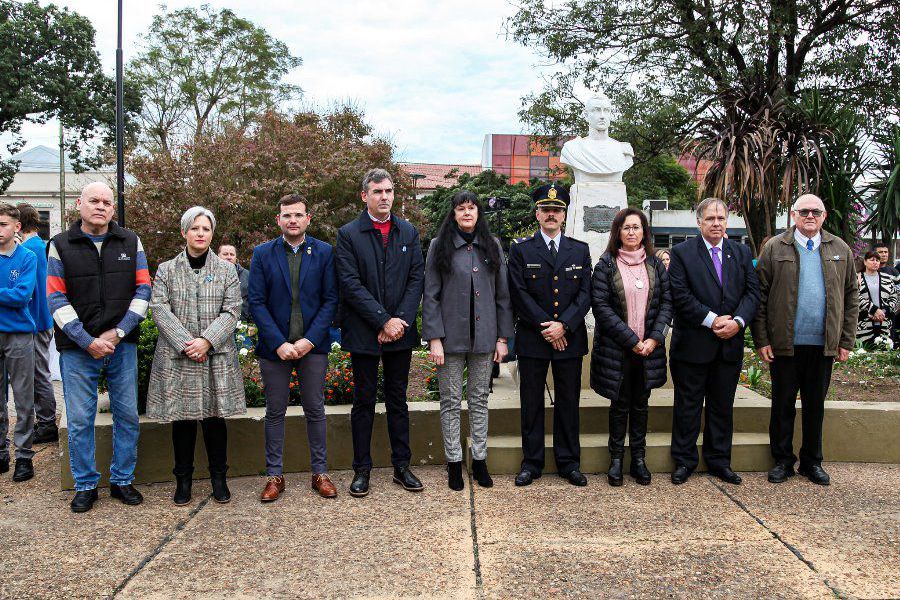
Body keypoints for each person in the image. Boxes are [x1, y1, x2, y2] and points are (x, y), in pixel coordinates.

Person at [48, 182, 150, 513]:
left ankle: (122, 480)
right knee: (79, 418)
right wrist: (86, 340)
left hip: (121, 344)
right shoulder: (60, 245)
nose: (101, 206)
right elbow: (55, 296)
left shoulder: (131, 241)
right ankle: (86, 485)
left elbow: (144, 289)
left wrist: (119, 332)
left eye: (107, 201)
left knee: (127, 416)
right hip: (79, 348)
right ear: (79, 204)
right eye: (94, 200)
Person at [753, 194, 858, 486]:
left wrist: (846, 340)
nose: (810, 216)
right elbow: (759, 297)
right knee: (782, 404)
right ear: (793, 215)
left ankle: (812, 462)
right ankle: (783, 461)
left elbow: (851, 296)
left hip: (823, 345)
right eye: (804, 211)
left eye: (816, 211)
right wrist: (762, 339)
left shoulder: (840, 249)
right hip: (785, 343)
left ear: (824, 216)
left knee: (815, 406)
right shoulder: (775, 247)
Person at [147, 207, 245, 505]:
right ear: (184, 232)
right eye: (195, 228)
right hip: (179, 358)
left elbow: (232, 310)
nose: (200, 233)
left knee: (215, 421)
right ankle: (183, 480)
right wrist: (187, 343)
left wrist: (206, 341)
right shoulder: (166, 269)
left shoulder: (227, 270)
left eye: (206, 229)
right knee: (183, 422)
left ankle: (219, 478)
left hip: (215, 356)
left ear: (212, 234)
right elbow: (160, 309)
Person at [336, 168, 425, 497]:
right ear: (365, 196)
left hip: (399, 333)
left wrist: (398, 320)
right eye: (377, 192)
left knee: (398, 400)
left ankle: (402, 466)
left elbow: (417, 278)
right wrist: (381, 321)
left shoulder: (408, 231)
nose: (384, 197)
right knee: (363, 402)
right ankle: (362, 470)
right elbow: (349, 283)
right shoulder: (348, 234)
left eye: (388, 191)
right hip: (364, 333)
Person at [249, 194, 339, 501]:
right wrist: (279, 343)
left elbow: (330, 300)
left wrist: (308, 340)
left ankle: (320, 473)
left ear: (308, 219)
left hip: (312, 346)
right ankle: (275, 476)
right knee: (275, 411)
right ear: (279, 220)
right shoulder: (262, 254)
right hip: (275, 349)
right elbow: (256, 302)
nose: (293, 220)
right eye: (287, 215)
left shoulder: (325, 252)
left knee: (315, 409)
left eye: (298, 215)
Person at [423, 190, 513, 491]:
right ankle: (452, 463)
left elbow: (502, 295)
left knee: (479, 400)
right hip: (449, 338)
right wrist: (434, 338)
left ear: (478, 213)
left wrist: (502, 338)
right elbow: (431, 295)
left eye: (472, 208)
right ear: (454, 213)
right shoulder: (440, 246)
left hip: (485, 337)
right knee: (450, 401)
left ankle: (480, 460)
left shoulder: (492, 245)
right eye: (461, 208)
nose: (467, 213)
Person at [667, 197, 759, 485]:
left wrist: (738, 322)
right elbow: (679, 295)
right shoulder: (682, 253)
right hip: (693, 344)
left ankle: (719, 461)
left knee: (722, 406)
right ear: (699, 222)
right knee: (688, 405)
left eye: (721, 218)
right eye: (710, 219)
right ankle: (684, 461)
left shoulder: (741, 253)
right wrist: (712, 319)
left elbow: (752, 294)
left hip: (728, 345)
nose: (716, 223)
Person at [507, 184, 592, 487]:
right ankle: (531, 463)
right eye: (546, 209)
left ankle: (569, 463)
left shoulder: (579, 249)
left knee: (568, 402)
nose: (551, 214)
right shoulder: (521, 249)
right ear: (537, 214)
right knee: (531, 403)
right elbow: (518, 294)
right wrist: (547, 326)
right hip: (533, 338)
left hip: (569, 338)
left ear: (564, 214)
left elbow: (585, 294)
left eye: (557, 210)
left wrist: (564, 326)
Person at [590, 208, 672, 486]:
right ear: (618, 232)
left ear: (644, 232)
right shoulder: (606, 265)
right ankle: (616, 460)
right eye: (626, 228)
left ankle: (638, 459)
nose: (632, 233)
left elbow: (666, 303)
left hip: (649, 349)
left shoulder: (655, 264)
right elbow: (601, 307)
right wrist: (632, 340)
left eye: (637, 228)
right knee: (620, 403)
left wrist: (654, 338)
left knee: (641, 404)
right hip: (619, 349)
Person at [0, 203, 37, 482]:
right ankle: (1, 452)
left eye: (3, 224)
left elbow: (22, 296)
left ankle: (24, 456)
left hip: (20, 334)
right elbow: (10, 294)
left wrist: (8, 294)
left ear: (16, 227)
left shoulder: (27, 257)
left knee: (24, 398)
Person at [16, 203, 58, 443]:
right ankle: (45, 420)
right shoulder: (41, 246)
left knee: (38, 373)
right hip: (43, 318)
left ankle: (46, 422)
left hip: (35, 320)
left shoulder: (29, 250)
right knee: (38, 371)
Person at [856, 250, 897, 347]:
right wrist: (873, 310)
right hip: (864, 324)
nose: (875, 262)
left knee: (884, 354)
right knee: (864, 355)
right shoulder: (857, 278)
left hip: (884, 323)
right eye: (872, 260)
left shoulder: (887, 278)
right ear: (865, 262)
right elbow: (855, 296)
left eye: (877, 260)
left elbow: (894, 297)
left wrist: (883, 311)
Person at [218, 244, 251, 322]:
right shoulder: (209, 275)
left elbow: (253, 301)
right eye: (225, 254)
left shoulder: (248, 276)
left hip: (241, 327)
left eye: (232, 254)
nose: (229, 257)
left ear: (236, 257)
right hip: (216, 327)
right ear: (218, 256)